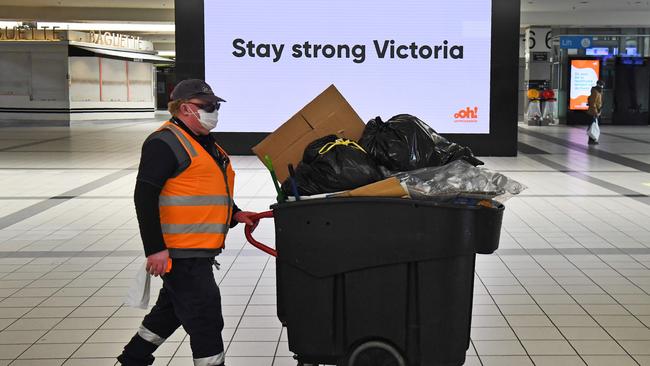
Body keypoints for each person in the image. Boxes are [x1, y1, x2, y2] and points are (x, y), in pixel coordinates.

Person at [117, 79, 258, 366]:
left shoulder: (205, 142)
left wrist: (235, 214)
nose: (213, 111)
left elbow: (205, 190)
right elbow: (144, 197)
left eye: (215, 106)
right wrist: (155, 249)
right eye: (206, 106)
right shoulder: (164, 142)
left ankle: (133, 359)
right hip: (182, 252)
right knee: (206, 319)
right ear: (184, 108)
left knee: (168, 313)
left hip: (198, 249)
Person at [587, 80, 604, 145]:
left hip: (597, 111)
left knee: (594, 126)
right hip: (593, 112)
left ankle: (593, 139)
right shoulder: (595, 91)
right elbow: (593, 103)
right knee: (592, 126)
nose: (602, 86)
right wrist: (595, 112)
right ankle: (591, 140)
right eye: (601, 85)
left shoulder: (599, 91)